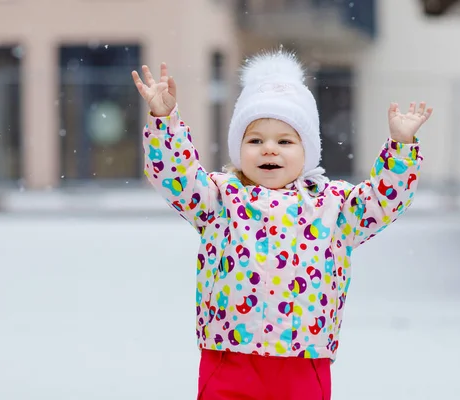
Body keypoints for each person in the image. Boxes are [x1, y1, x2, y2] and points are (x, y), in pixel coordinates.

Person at [131, 50, 433, 400]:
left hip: (303, 356)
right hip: (229, 352)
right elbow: (175, 176)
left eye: (285, 141)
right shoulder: (220, 199)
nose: (269, 150)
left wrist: (401, 148)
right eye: (255, 140)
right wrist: (164, 119)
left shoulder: (333, 207)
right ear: (238, 148)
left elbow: (383, 201)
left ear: (307, 152)